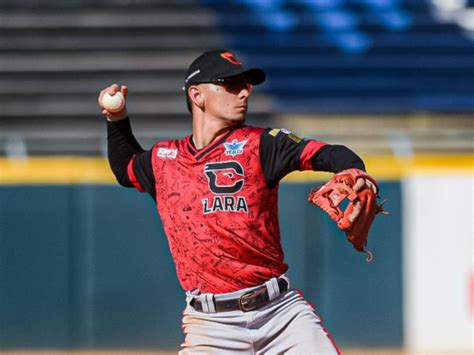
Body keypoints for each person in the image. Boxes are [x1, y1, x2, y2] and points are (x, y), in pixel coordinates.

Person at [98, 49, 369, 354]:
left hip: (280, 314)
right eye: (230, 84)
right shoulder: (165, 160)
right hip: (211, 326)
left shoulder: (264, 144)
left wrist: (353, 170)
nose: (244, 92)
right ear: (197, 95)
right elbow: (126, 169)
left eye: (246, 84)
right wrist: (117, 118)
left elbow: (329, 153)